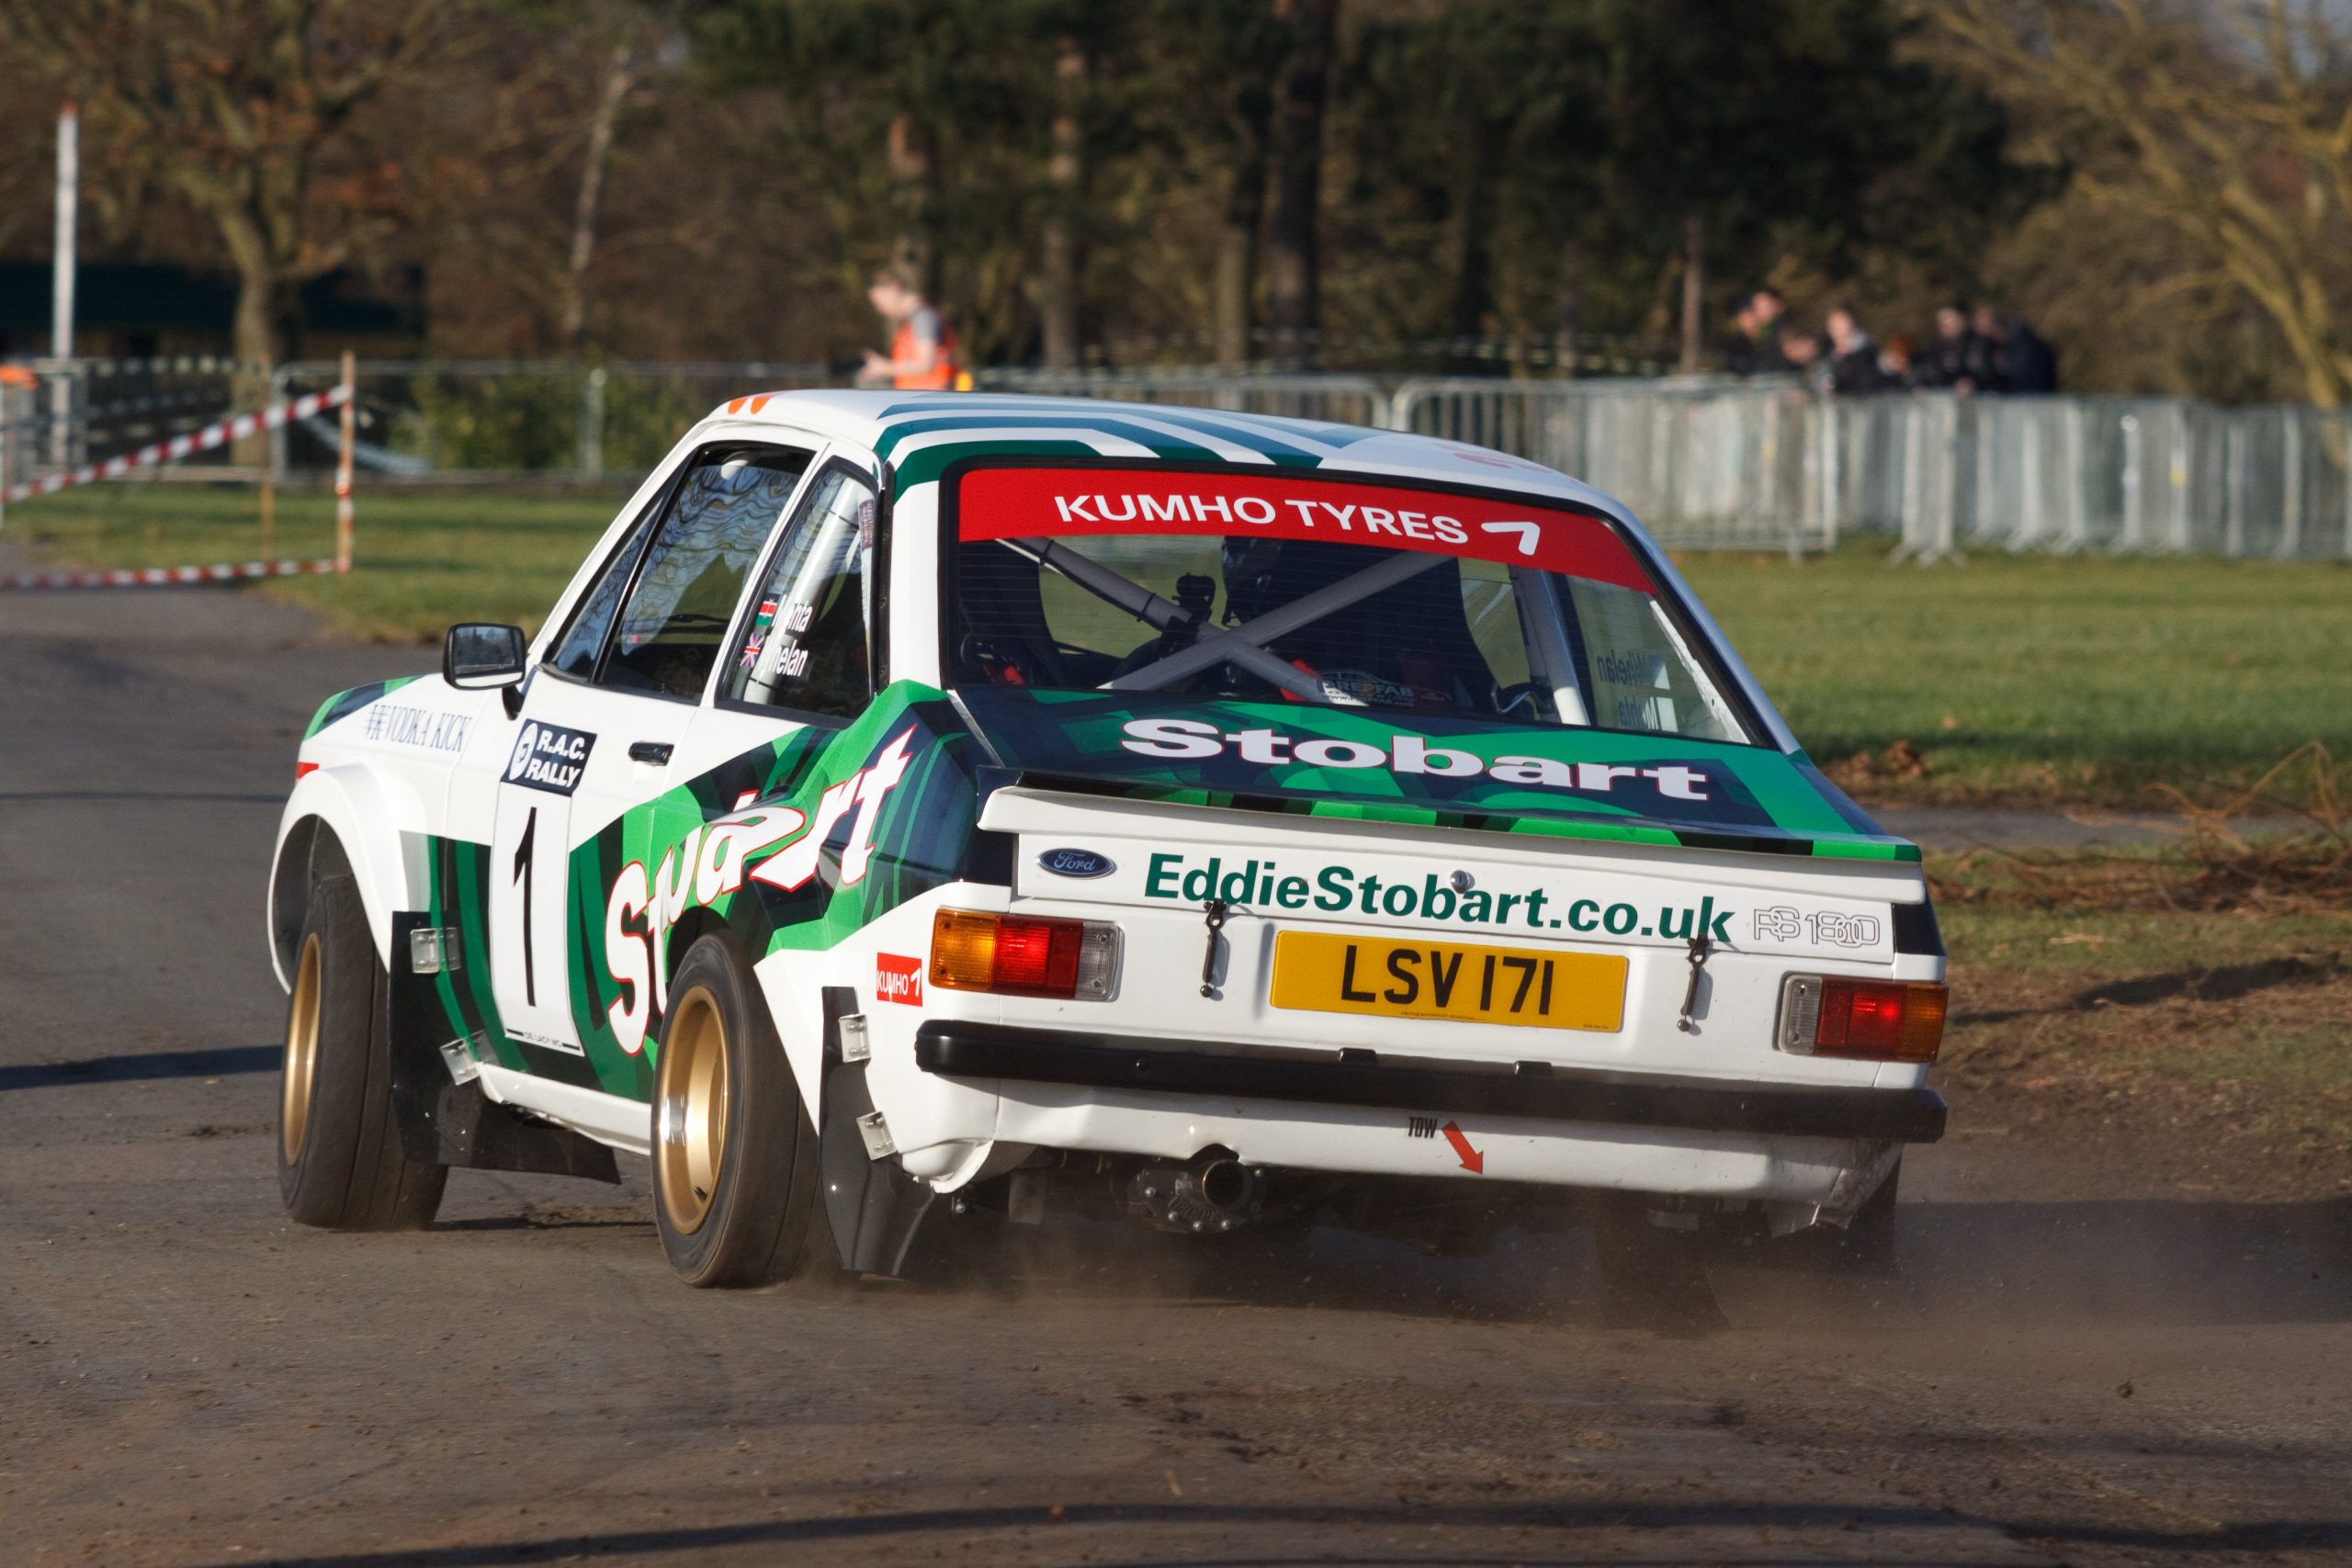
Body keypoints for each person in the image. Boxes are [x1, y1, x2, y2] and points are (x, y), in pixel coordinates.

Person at [857, 268, 966, 390]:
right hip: (927, 399)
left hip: (932, 400)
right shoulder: (915, 321)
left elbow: (926, 364)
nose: (880, 310)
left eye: (880, 302)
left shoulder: (923, 317)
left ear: (894, 289)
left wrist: (885, 368)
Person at [1915, 302, 1999, 393]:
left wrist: (1974, 383)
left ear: (1962, 320)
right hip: (1949, 401)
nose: (1945, 327)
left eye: (1949, 322)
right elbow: (1934, 373)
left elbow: (1996, 375)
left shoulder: (1982, 343)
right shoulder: (1938, 346)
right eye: (1941, 323)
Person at [1724, 287, 1789, 376]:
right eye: (1756, 308)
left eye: (1765, 307)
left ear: (1778, 306)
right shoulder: (1746, 339)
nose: (1759, 313)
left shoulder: (1785, 333)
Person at [1824, 305, 1885, 395]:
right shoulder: (1827, 351)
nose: (1835, 330)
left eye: (1840, 324)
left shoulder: (1868, 351)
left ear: (1851, 323)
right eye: (1833, 326)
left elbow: (1868, 383)